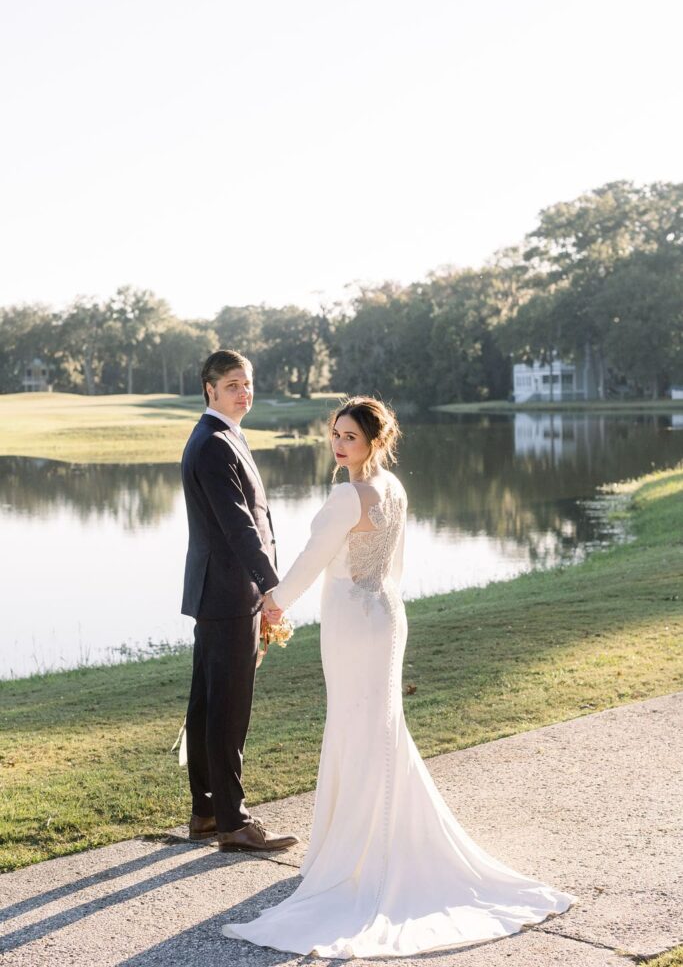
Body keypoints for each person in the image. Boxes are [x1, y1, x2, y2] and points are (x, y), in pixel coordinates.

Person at [222, 395, 574, 958]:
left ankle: (357, 855)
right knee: (378, 728)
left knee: (357, 730)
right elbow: (397, 564)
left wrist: (273, 606)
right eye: (334, 434)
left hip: (351, 623)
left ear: (373, 442)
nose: (338, 444)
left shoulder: (347, 495)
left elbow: (312, 562)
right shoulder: (394, 488)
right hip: (385, 614)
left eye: (349, 438)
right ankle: (370, 842)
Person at [180, 349, 298, 853]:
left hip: (221, 593)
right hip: (230, 595)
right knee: (228, 711)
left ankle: (207, 813)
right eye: (232, 385)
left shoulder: (224, 435)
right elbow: (240, 528)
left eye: (247, 383)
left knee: (210, 704)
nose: (243, 393)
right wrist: (273, 590)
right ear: (210, 388)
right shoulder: (212, 444)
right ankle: (233, 822)